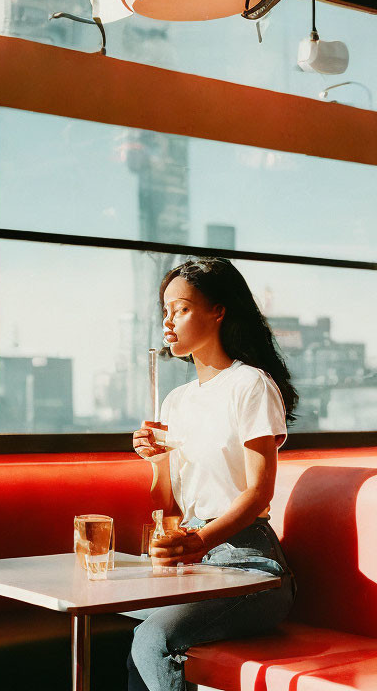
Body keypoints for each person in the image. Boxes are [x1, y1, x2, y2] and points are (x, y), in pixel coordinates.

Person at [127, 257, 298, 691]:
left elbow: (259, 493)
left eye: (181, 309)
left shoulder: (250, 385)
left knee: (152, 639)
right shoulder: (176, 401)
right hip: (196, 559)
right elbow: (167, 506)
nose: (168, 321)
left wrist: (199, 542)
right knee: (116, 624)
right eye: (165, 311)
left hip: (250, 563)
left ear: (218, 311)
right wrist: (157, 461)